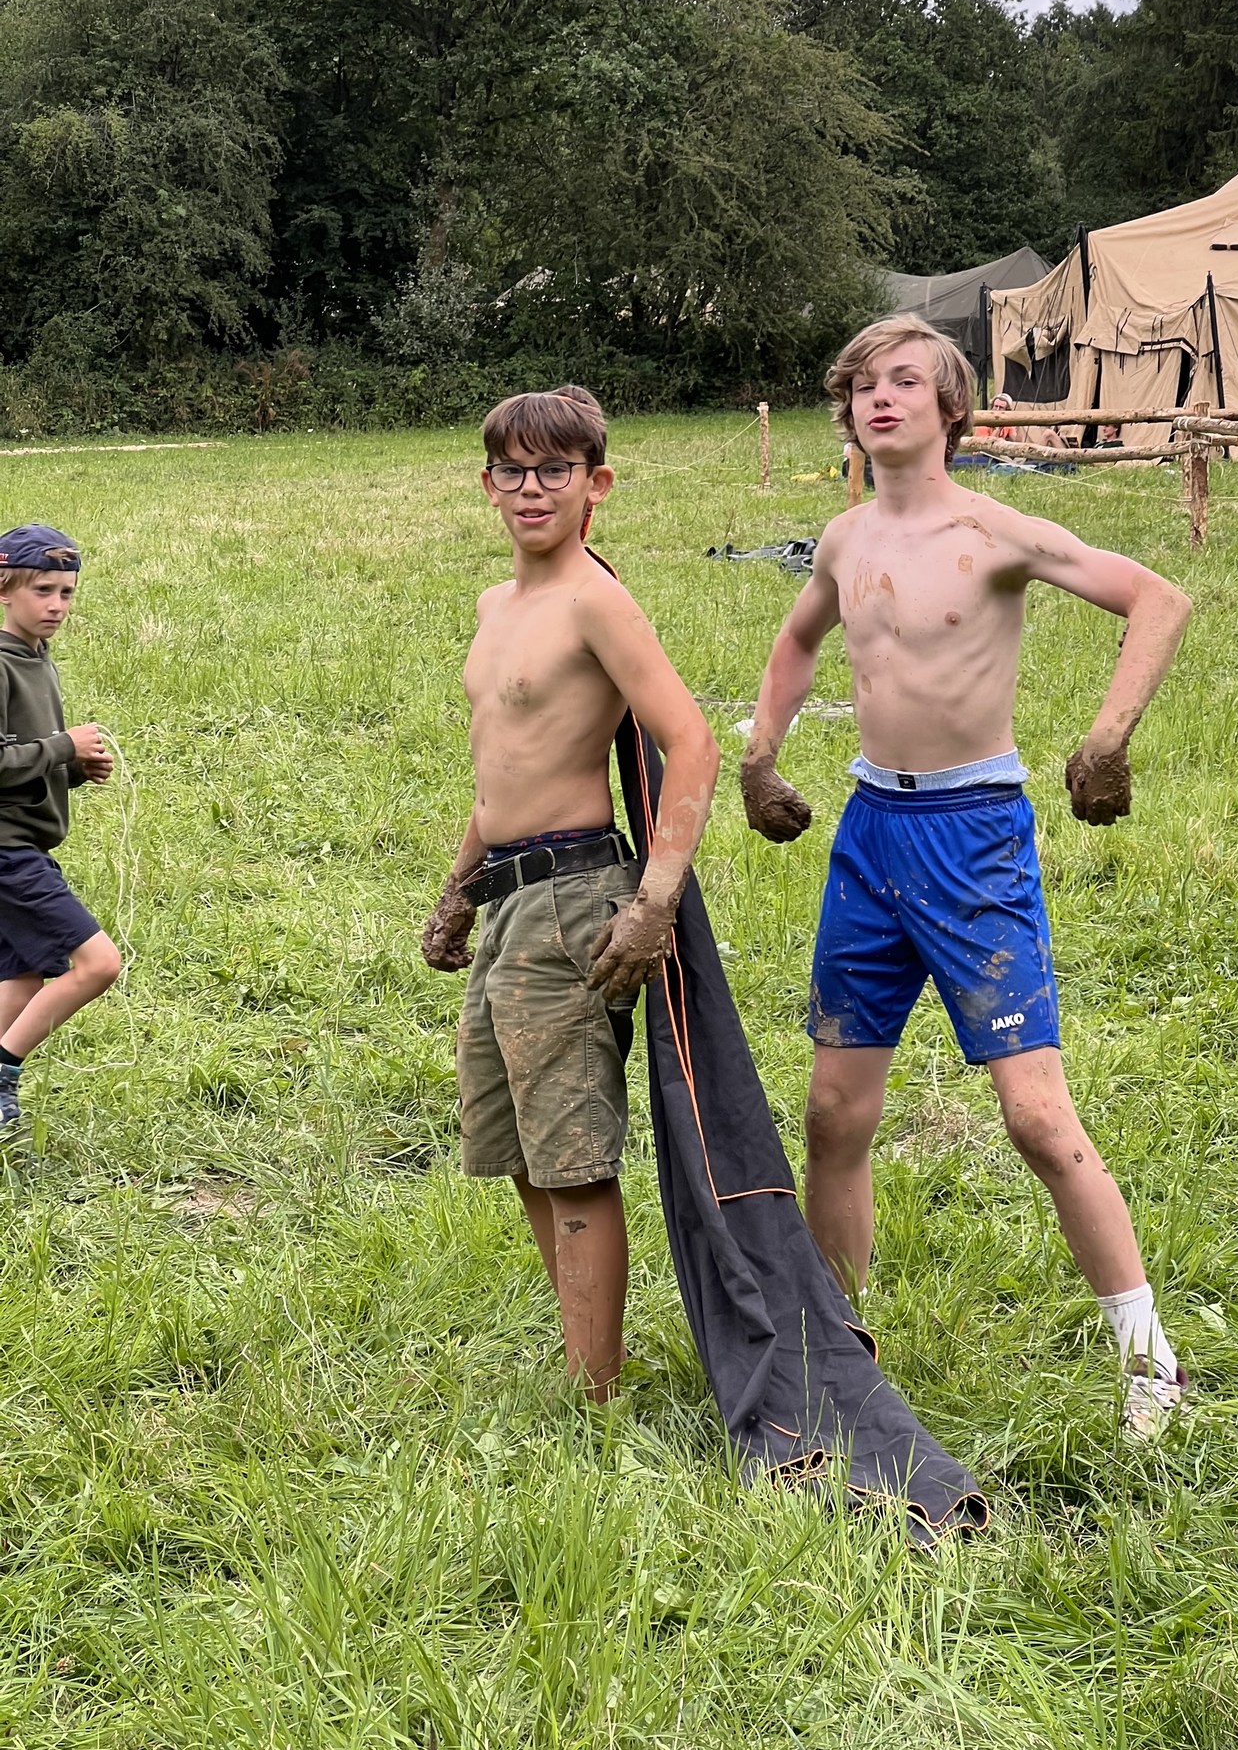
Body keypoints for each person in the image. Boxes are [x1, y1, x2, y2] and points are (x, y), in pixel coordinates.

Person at [740, 315, 1194, 1437]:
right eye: (864, 385)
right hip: (869, 837)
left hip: (974, 837)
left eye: (906, 381)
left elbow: (1158, 599)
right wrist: (760, 755)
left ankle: (1150, 1362)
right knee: (833, 1112)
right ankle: (840, 1355)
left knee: (1035, 1117)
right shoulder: (844, 537)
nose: (880, 398)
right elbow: (800, 640)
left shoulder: (993, 530)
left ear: (953, 410)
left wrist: (1107, 737)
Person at [420, 389, 720, 1401]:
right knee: (515, 1142)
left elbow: (691, 741)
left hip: (572, 899)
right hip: (507, 900)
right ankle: (588, 1351)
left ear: (598, 484)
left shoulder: (596, 600)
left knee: (573, 1157)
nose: (532, 488)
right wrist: (458, 891)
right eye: (513, 469)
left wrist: (655, 900)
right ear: (487, 484)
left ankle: (597, 1396)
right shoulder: (494, 606)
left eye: (556, 470)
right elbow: (499, 771)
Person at [0, 526, 121, 1136]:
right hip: (6, 852)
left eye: (67, 593)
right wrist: (62, 747)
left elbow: (25, 760)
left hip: (22, 842)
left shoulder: (36, 657)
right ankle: (3, 1070)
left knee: (20, 981)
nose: (56, 605)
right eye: (42, 590)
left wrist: (72, 769)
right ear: (4, 589)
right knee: (98, 963)